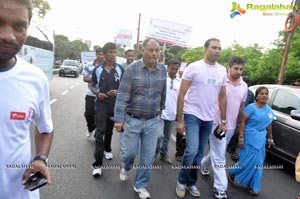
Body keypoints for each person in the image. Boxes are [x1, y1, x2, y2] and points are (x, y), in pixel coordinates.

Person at [0, 0, 54, 198]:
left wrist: (40, 158)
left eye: (19, 26)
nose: (7, 35)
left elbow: (45, 128)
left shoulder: (36, 79)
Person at [114, 38, 167, 199]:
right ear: (142, 51)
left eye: (157, 50)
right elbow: (123, 95)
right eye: (151, 50)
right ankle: (126, 166)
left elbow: (163, 92)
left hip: (152, 120)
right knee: (129, 153)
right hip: (133, 120)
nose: (154, 53)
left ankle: (140, 185)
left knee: (148, 156)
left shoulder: (162, 70)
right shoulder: (131, 69)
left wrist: (161, 109)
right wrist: (119, 119)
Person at [175, 38, 227, 198]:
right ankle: (181, 181)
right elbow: (182, 93)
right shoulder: (194, 67)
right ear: (205, 49)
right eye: (214, 47)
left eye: (219, 48)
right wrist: (179, 119)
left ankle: (191, 183)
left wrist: (223, 121)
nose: (217, 51)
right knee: (191, 151)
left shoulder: (222, 70)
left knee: (199, 154)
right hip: (192, 114)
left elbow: (223, 96)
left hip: (208, 118)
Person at [200, 56, 248, 199]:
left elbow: (241, 105)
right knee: (220, 156)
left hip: (232, 126)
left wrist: (239, 125)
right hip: (217, 123)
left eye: (241, 69)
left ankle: (203, 164)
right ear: (229, 67)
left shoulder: (244, 86)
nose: (238, 71)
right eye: (236, 68)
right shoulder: (221, 81)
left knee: (216, 152)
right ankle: (220, 187)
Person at [228, 86, 275, 196]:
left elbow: (269, 124)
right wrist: (240, 138)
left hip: (261, 138)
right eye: (261, 93)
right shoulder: (251, 108)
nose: (264, 95)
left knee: (258, 163)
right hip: (249, 136)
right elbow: (243, 123)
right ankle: (232, 172)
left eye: (266, 94)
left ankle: (253, 186)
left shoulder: (269, 110)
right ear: (257, 96)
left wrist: (270, 138)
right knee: (246, 162)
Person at [90, 42, 124, 176]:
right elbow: (92, 86)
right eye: (110, 52)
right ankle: (97, 164)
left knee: (109, 130)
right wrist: (97, 93)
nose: (113, 54)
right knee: (100, 132)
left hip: (115, 105)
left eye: (115, 52)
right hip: (101, 105)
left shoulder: (120, 69)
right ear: (104, 54)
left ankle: (108, 149)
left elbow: (125, 87)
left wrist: (117, 91)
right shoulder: (97, 69)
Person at [156, 59, 181, 164]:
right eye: (172, 68)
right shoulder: (162, 78)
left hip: (172, 113)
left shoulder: (180, 82)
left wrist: (179, 115)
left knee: (167, 137)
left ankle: (163, 154)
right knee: (159, 135)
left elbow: (180, 98)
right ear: (167, 68)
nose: (174, 71)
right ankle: (153, 154)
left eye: (176, 69)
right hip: (160, 113)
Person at [227, 76, 255, 161]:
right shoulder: (233, 88)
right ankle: (232, 149)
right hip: (232, 115)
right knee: (233, 132)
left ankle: (233, 149)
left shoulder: (250, 94)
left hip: (243, 115)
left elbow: (250, 105)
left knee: (237, 133)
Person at [82, 47, 104, 138]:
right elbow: (85, 78)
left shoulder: (107, 66)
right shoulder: (89, 65)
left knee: (100, 116)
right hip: (90, 93)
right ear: (96, 55)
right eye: (99, 54)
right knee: (88, 114)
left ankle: (97, 133)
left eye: (103, 54)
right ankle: (90, 128)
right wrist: (94, 80)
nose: (101, 56)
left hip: (102, 95)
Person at [175, 62, 191, 162]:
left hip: (192, 112)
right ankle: (179, 153)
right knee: (181, 133)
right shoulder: (182, 82)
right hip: (183, 110)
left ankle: (187, 152)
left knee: (189, 134)